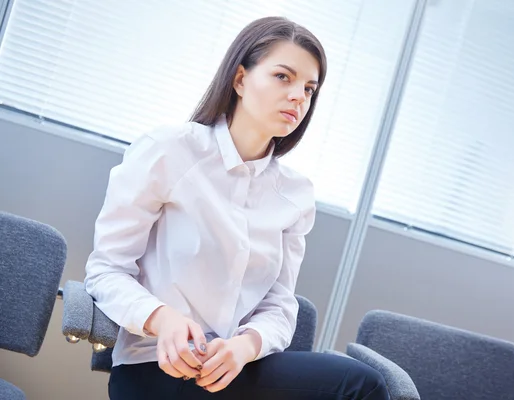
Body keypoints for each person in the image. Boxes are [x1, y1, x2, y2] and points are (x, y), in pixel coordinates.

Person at [84, 16, 389, 400]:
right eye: (283, 77)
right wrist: (163, 320)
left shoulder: (295, 193)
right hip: (156, 367)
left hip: (237, 369)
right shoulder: (169, 150)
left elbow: (280, 305)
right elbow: (105, 271)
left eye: (309, 88)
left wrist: (245, 346)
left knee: (362, 384)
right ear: (240, 79)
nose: (299, 96)